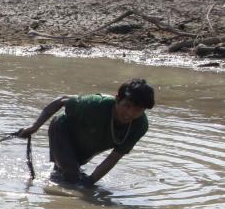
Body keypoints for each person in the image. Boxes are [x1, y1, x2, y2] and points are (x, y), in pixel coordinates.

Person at [17, 79, 154, 187]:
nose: (130, 114)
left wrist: (90, 181)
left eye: (137, 110)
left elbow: (114, 157)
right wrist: (33, 127)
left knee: (72, 178)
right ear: (117, 99)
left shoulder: (140, 126)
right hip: (62, 131)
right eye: (127, 106)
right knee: (72, 175)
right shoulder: (96, 104)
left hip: (87, 146)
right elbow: (62, 100)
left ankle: (57, 179)